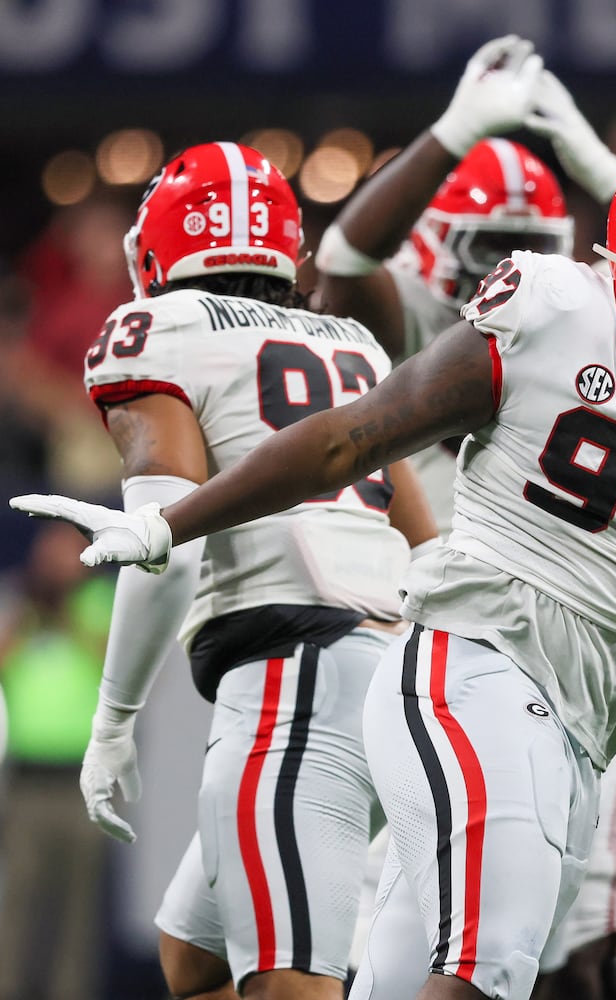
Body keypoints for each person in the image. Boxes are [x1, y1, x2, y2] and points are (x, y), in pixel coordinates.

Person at [15, 130, 616, 1000]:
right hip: (469, 653)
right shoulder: (554, 312)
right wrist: (172, 522)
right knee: (490, 968)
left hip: (584, 706)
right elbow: (349, 439)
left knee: (410, 976)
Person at [314, 39, 616, 1000]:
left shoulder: (588, 324)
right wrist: (454, 133)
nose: (511, 270)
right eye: (486, 248)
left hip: (578, 656)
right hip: (438, 651)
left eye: (532, 247)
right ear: (434, 246)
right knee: (413, 932)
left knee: (578, 931)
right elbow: (343, 255)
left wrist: (600, 166)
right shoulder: (416, 327)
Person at [58, 141, 436, 1000]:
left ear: (159, 249)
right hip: (389, 678)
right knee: (192, 960)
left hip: (297, 678)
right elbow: (423, 541)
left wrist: (113, 721)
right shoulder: (352, 345)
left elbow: (169, 546)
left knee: (289, 984)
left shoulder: (156, 334)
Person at [0, 523, 115, 1000]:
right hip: (27, 783)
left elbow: (117, 666)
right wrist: (30, 620)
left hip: (84, 783)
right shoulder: (19, 606)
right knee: (17, 902)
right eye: (50, 556)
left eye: (68, 556)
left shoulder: (102, 605)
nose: (58, 566)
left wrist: (68, 618)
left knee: (78, 909)